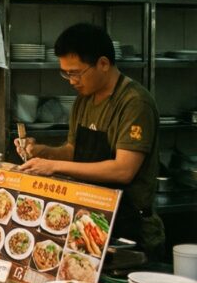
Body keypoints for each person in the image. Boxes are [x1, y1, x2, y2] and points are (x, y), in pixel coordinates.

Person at [17, 23, 165, 258]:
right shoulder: (84, 99)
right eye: (65, 73)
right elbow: (74, 151)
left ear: (103, 64)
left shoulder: (134, 103)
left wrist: (53, 166)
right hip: (89, 216)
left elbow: (123, 170)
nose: (70, 80)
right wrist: (43, 152)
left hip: (129, 226)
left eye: (75, 72)